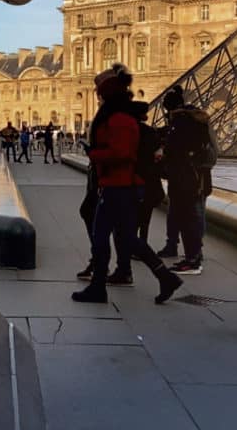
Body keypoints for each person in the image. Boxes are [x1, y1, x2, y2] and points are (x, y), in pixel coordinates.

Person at [72, 64, 182, 304]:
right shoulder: (121, 117)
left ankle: (98, 287)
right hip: (120, 185)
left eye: (100, 93)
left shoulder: (120, 120)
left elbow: (122, 153)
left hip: (120, 186)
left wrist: (94, 154)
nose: (97, 97)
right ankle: (165, 277)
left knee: (102, 235)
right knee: (127, 238)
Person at [159, 85, 214, 274]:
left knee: (190, 217)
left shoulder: (182, 124)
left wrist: (165, 156)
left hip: (187, 179)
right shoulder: (197, 121)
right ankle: (193, 254)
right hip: (195, 178)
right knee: (190, 216)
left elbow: (177, 151)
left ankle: (193, 258)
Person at [128, 101, 165, 262]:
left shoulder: (130, 132)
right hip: (150, 181)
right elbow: (158, 155)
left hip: (134, 180)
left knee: (132, 217)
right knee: (145, 218)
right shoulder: (151, 133)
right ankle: (142, 244)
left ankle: (134, 246)